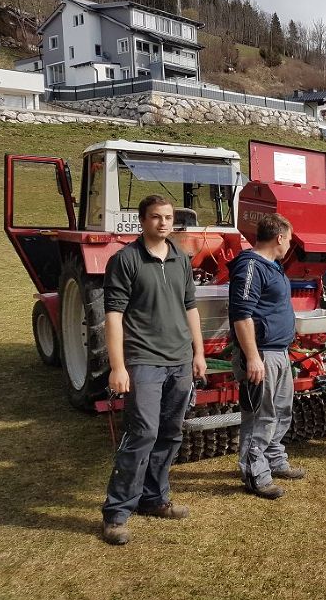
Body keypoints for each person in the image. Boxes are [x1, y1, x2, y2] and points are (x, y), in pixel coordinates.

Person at [100, 194, 207, 545]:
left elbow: (190, 308)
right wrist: (118, 366)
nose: (163, 223)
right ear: (142, 220)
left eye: (168, 217)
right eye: (156, 217)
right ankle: (117, 513)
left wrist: (198, 352)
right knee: (142, 432)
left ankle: (154, 498)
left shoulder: (180, 258)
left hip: (179, 361)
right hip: (144, 360)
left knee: (170, 433)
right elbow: (113, 316)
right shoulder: (125, 260)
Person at [228, 213, 304, 500]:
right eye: (290, 238)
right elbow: (241, 315)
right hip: (261, 354)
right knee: (260, 415)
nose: (290, 244)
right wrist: (252, 358)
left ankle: (274, 459)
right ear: (280, 237)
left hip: (279, 352)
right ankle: (254, 473)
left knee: (281, 410)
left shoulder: (273, 266)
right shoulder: (249, 266)